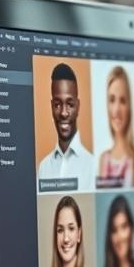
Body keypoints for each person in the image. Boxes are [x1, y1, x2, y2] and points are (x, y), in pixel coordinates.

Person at [37, 62, 94, 190]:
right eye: (57, 104)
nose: (63, 112)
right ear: (51, 107)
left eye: (70, 104)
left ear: (78, 106)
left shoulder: (93, 166)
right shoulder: (43, 167)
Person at [97, 65, 134, 188]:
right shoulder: (103, 159)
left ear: (129, 107)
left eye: (122, 101)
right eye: (112, 100)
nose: (116, 110)